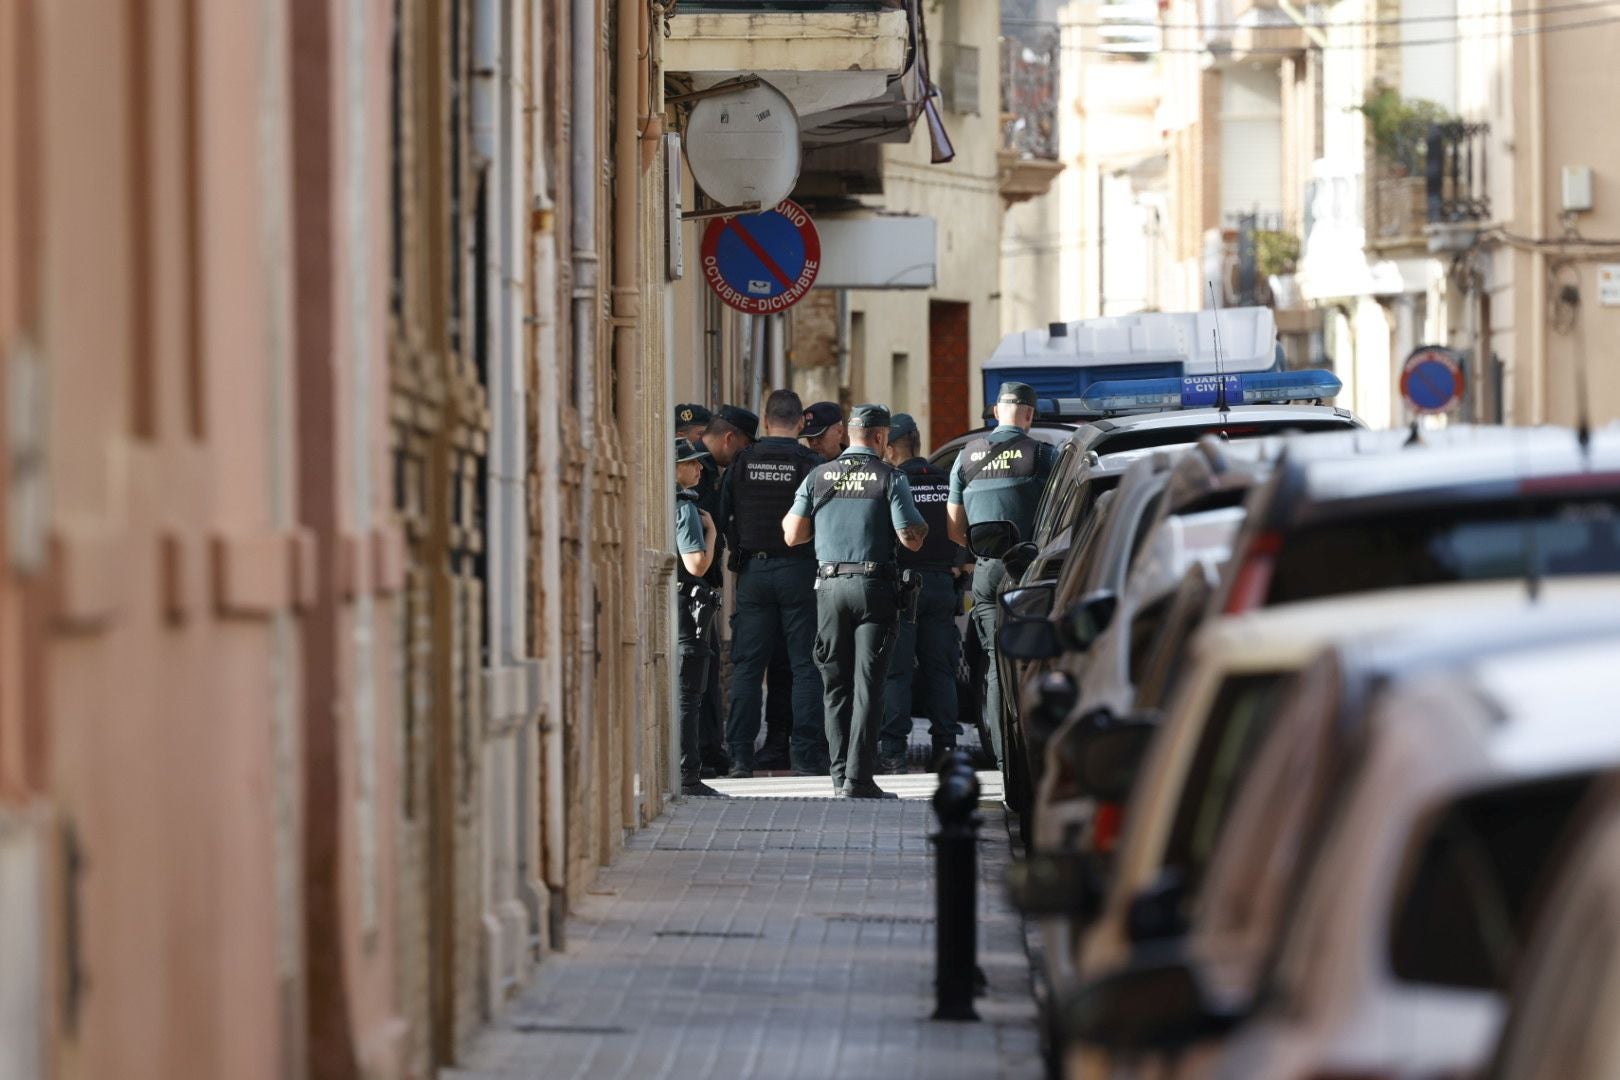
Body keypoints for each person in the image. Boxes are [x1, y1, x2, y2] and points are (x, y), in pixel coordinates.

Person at [783, 404, 927, 799]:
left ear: (849, 434)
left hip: (828, 588)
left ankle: (837, 775)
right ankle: (859, 780)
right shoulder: (890, 477)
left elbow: (792, 534)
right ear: (881, 437)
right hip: (873, 588)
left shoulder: (818, 475)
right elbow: (910, 537)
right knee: (868, 686)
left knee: (835, 686)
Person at [946, 381, 1057, 771]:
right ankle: (1030, 753)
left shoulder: (965, 457)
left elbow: (954, 529)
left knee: (995, 663)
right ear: (1029, 414)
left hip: (986, 572)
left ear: (996, 413)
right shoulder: (1043, 455)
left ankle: (1001, 758)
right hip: (1027, 571)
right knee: (1031, 661)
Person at [717, 390, 828, 777]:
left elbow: (722, 514)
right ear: (800, 424)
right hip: (800, 571)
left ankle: (741, 757)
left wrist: (741, 548)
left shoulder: (743, 461)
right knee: (805, 666)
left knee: (748, 666)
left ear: (765, 421)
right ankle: (805, 755)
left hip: (754, 574)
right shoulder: (810, 463)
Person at [878, 413, 966, 773]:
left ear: (892, 447)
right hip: (944, 585)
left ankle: (894, 752)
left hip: (903, 587)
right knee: (941, 672)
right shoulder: (945, 480)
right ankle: (945, 747)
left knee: (897, 672)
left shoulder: (895, 483)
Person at [690, 404, 754, 776]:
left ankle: (710, 750)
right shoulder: (702, 471)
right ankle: (705, 752)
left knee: (710, 671)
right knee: (703, 671)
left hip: (704, 583)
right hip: (695, 583)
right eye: (744, 446)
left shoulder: (711, 470)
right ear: (730, 438)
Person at [673, 438, 725, 798]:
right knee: (688, 695)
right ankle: (687, 776)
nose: (699, 468)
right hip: (685, 611)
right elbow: (696, 563)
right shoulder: (684, 508)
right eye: (691, 463)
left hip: (668, 606)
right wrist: (712, 533)